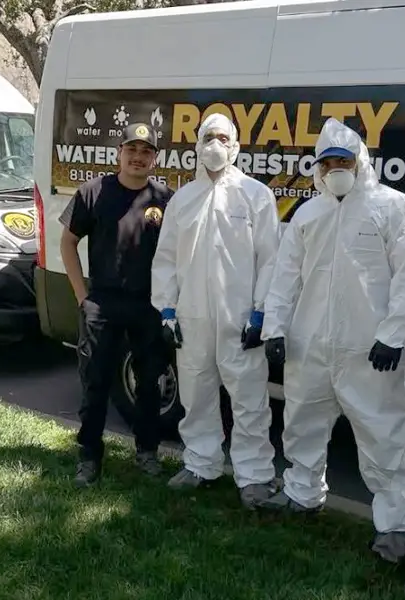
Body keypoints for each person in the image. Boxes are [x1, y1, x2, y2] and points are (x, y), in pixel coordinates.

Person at [260, 117, 405, 563]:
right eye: (327, 161)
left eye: (343, 160)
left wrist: (393, 335)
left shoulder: (394, 208)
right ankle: (302, 493)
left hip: (369, 350)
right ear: (317, 168)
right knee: (302, 425)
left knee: (382, 434)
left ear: (361, 162)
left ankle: (396, 524)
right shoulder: (308, 214)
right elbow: (285, 276)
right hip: (309, 344)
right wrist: (275, 327)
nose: (335, 168)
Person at [150, 112, 281, 509]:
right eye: (208, 136)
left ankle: (255, 476)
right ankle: (200, 463)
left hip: (240, 318)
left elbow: (270, 260)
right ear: (196, 144)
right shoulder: (183, 200)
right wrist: (167, 311)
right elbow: (167, 258)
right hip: (191, 318)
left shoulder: (256, 196)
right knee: (196, 393)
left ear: (236, 146)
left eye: (223, 137)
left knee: (249, 400)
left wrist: (261, 313)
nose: (215, 145)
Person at [59, 122, 174, 487]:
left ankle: (147, 452)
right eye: (132, 150)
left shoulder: (165, 199)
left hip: (148, 306)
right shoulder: (94, 192)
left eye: (146, 152)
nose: (138, 157)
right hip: (102, 304)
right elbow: (67, 243)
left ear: (155, 159)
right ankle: (89, 457)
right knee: (95, 383)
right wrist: (82, 296)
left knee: (150, 383)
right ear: (118, 153)